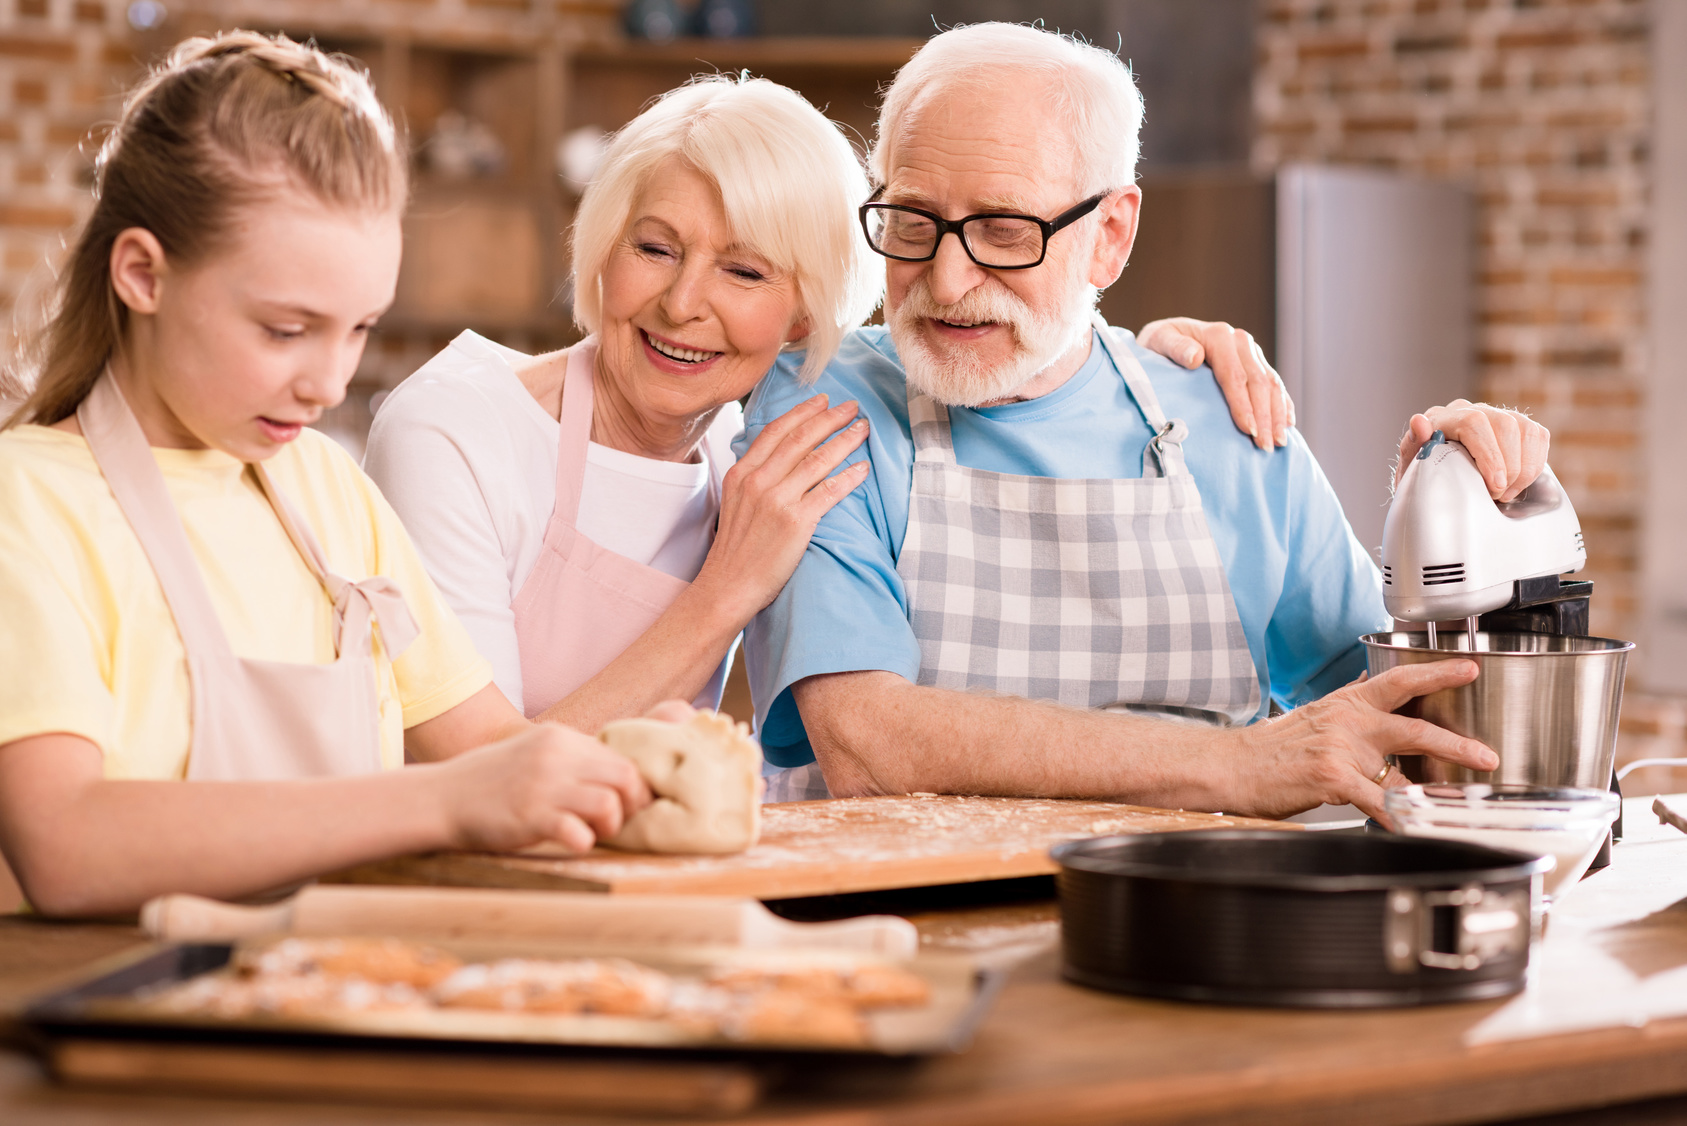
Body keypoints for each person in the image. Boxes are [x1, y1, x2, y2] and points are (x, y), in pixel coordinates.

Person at [739, 23, 1549, 820]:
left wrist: (1449, 534)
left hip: (1191, 925)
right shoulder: (822, 397)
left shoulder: (1229, 418)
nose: (947, 282)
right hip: (895, 929)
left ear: (1109, 236)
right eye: (914, 221)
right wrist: (1237, 765)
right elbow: (866, 740)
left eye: (1002, 230)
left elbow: (1393, 726)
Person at [363, 75, 1292, 735]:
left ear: (806, 310)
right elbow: (477, 779)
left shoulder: (759, 437)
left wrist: (1150, 359)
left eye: (743, 271)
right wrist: (729, 587)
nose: (684, 303)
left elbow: (1009, 342)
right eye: (653, 247)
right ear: (601, 250)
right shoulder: (454, 430)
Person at [0, 33, 658, 917]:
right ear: (142, 274)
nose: (330, 382)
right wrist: (439, 803)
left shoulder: (327, 489)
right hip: (111, 1018)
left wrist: (629, 769)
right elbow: (64, 845)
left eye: (358, 328)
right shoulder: (31, 503)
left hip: (327, 993)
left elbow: (489, 755)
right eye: (285, 329)